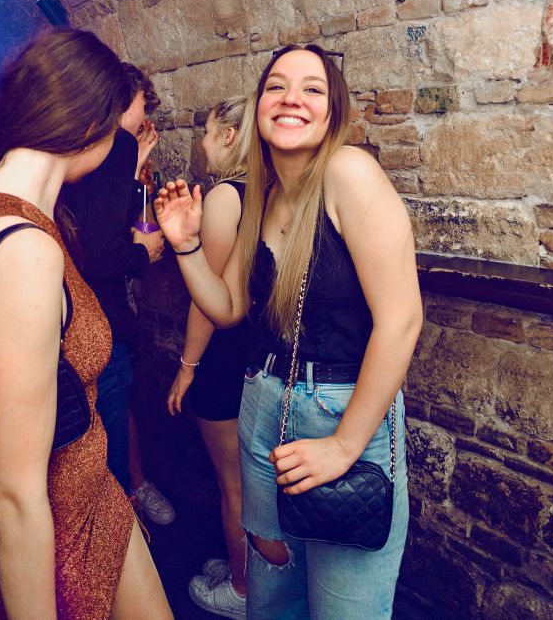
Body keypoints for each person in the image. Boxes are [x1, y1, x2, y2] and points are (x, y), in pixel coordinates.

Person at [155, 45, 422, 619]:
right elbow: (229, 308)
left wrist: (345, 445)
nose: (291, 98)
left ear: (333, 111)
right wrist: (186, 247)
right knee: (273, 597)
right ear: (259, 107)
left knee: (344, 608)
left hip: (342, 410)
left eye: (312, 89)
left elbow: (401, 319)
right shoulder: (264, 194)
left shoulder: (349, 173)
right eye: (276, 86)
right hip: (262, 406)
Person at [0, 28, 172, 619]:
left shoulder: (2, 206)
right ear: (91, 124)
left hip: (90, 492)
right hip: (54, 526)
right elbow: (14, 493)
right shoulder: (22, 250)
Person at [59, 62, 175, 525]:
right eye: (143, 104)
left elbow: (129, 225)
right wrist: (142, 255)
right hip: (98, 316)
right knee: (103, 428)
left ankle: (133, 493)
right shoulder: (116, 143)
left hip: (85, 316)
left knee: (115, 412)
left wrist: (137, 173)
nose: (146, 117)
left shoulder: (112, 153)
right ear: (123, 101)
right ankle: (123, 527)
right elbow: (104, 252)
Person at [165, 95, 253, 618]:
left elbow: (210, 297)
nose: (201, 142)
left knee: (234, 483)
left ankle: (242, 590)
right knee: (256, 479)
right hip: (260, 354)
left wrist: (187, 367)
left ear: (228, 136)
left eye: (208, 131)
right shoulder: (269, 189)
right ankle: (252, 571)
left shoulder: (225, 196)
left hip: (224, 357)